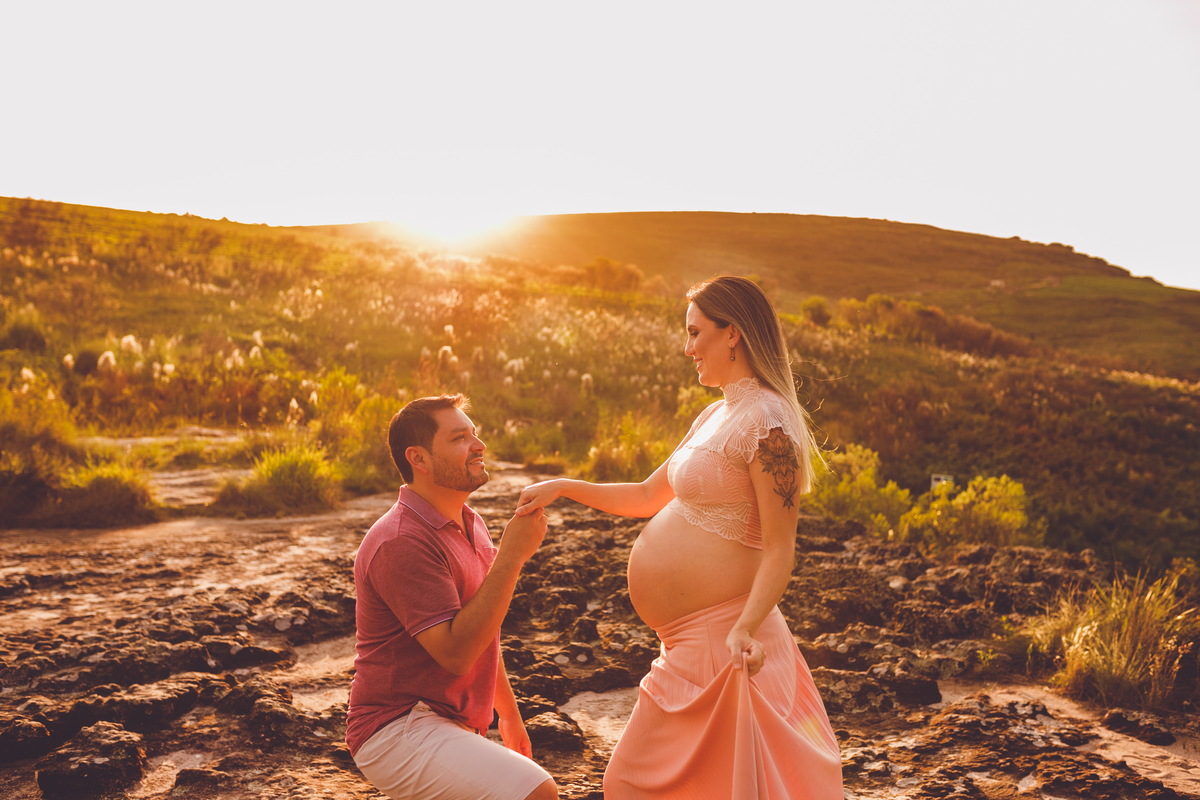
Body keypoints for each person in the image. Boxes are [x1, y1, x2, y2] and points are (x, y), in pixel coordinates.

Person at [515, 276, 843, 799]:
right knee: (640, 784)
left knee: (652, 784)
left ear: (731, 333)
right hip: (686, 646)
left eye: (695, 333)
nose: (687, 347)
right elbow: (648, 495)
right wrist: (565, 487)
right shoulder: (717, 413)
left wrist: (746, 628)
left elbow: (781, 550)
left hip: (727, 642)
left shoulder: (769, 423)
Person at [347, 394, 558, 800]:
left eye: (474, 433)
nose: (478, 445)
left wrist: (510, 717)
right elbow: (457, 653)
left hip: (449, 720)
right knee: (536, 792)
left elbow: (482, 629)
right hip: (395, 727)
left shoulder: (470, 522)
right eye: (460, 437)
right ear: (419, 459)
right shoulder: (401, 540)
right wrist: (512, 555)